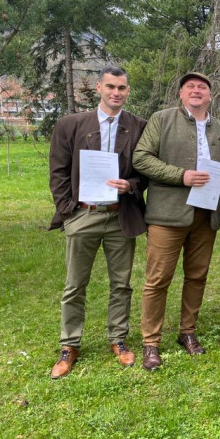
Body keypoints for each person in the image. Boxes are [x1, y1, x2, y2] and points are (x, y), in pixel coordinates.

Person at [48, 65, 147, 379]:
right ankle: (69, 345)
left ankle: (118, 339)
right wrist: (68, 211)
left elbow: (146, 172)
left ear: (127, 91)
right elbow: (58, 173)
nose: (116, 93)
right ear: (98, 88)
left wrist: (130, 185)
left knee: (122, 284)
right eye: (111, 87)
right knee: (75, 285)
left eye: (122, 87)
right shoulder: (71, 125)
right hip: (84, 214)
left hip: (121, 215)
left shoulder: (139, 127)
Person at [133, 71, 220, 370]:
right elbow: (141, 157)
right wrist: (181, 176)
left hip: (206, 214)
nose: (196, 90)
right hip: (168, 214)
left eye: (202, 87)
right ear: (181, 93)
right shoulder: (162, 119)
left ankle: (187, 332)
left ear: (210, 95)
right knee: (158, 279)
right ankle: (151, 342)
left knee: (197, 276)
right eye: (190, 87)